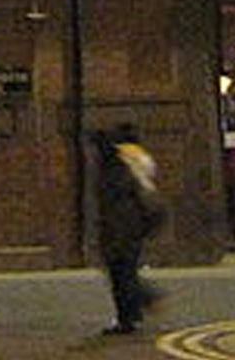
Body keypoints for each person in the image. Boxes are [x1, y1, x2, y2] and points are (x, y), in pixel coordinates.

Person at [93, 123, 165, 335]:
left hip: (122, 228)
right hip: (133, 226)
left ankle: (132, 312)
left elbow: (115, 202)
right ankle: (134, 311)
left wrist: (108, 231)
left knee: (120, 272)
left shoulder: (115, 166)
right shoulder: (134, 160)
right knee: (125, 270)